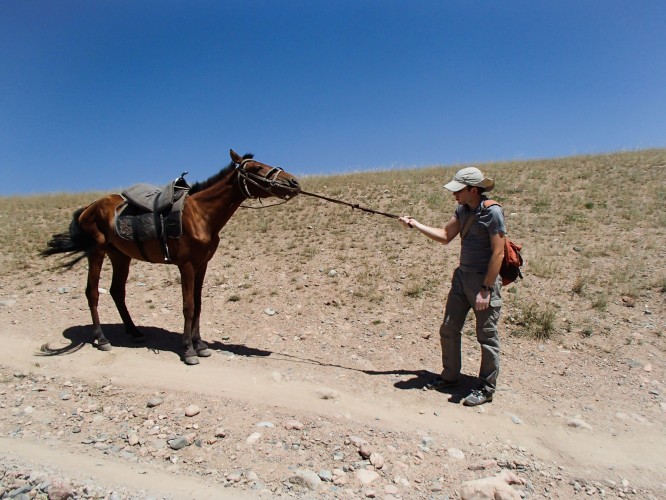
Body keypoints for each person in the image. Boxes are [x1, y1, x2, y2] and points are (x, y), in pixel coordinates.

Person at [399, 167, 505, 406]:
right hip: (461, 278)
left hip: (483, 281)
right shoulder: (462, 209)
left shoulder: (493, 213)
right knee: (448, 328)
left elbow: (498, 252)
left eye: (458, 189)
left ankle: (486, 388)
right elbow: (446, 235)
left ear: (473, 189)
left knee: (486, 336)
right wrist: (416, 224)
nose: (454, 194)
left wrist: (486, 289)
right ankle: (450, 376)